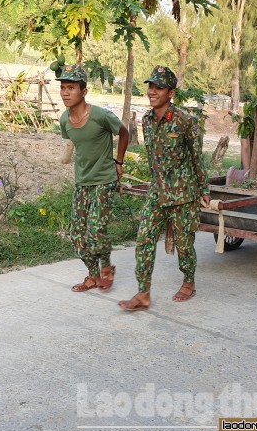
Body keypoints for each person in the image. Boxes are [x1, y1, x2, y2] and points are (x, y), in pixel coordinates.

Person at [118, 65, 210, 311]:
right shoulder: (147, 121)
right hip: (157, 193)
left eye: (159, 87)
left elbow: (196, 158)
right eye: (150, 86)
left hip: (183, 194)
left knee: (184, 243)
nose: (152, 91)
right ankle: (143, 293)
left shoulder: (186, 121)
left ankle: (189, 282)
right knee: (144, 238)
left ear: (171, 92)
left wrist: (204, 190)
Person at [57, 64, 130, 292]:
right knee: (77, 236)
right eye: (63, 88)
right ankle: (92, 275)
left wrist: (119, 162)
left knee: (96, 231)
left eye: (71, 88)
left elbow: (124, 132)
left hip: (104, 180)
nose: (65, 93)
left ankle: (106, 267)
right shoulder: (64, 120)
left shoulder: (100, 115)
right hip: (82, 182)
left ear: (84, 91)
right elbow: (75, 143)